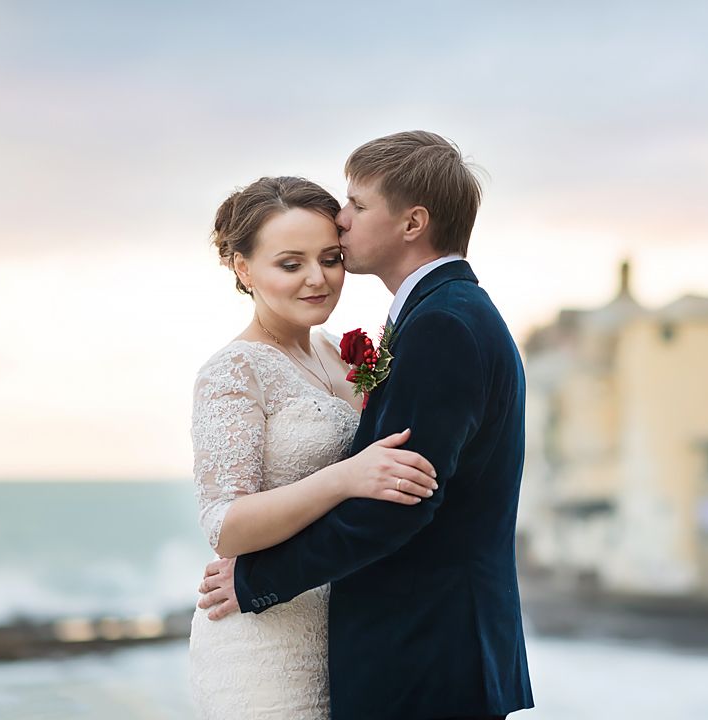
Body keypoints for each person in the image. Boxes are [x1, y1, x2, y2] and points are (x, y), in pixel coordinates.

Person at [198, 132, 535, 720]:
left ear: (412, 223)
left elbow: (400, 499)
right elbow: (232, 516)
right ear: (242, 268)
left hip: (424, 650)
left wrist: (257, 581)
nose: (341, 220)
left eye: (355, 204)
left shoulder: (441, 327)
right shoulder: (438, 318)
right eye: (291, 262)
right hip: (343, 650)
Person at [188, 176, 439, 719]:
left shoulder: (338, 353)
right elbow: (224, 524)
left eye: (330, 258)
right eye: (290, 263)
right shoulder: (233, 371)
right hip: (262, 644)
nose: (317, 279)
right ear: (243, 268)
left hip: (349, 635)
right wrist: (346, 478)